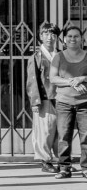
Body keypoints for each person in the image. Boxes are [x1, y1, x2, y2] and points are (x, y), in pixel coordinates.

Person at [49, 25, 87, 179]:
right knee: (64, 136)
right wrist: (72, 82)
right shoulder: (58, 57)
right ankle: (65, 168)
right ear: (64, 40)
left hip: (85, 102)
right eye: (69, 36)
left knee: (86, 136)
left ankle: (85, 168)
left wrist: (82, 78)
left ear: (82, 39)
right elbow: (53, 78)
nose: (73, 39)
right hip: (64, 102)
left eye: (76, 36)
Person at [26, 22, 60, 173]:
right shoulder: (36, 57)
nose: (50, 37)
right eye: (46, 34)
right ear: (40, 36)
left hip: (61, 98)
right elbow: (32, 81)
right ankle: (45, 160)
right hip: (45, 98)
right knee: (45, 131)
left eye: (53, 34)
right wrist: (35, 101)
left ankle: (62, 160)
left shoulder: (61, 55)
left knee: (61, 131)